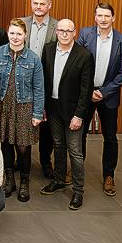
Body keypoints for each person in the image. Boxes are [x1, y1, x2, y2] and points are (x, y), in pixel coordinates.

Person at [77, 2, 122, 197]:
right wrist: (89, 90)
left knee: (110, 137)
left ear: (113, 18)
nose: (103, 19)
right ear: (95, 17)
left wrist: (104, 91)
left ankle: (109, 175)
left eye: (107, 16)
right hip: (86, 93)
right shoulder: (85, 35)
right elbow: (78, 63)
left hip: (108, 96)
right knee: (79, 133)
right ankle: (76, 170)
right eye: (99, 15)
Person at [40, 19, 93, 210]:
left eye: (68, 31)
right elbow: (44, 79)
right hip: (53, 108)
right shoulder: (48, 49)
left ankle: (78, 191)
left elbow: (86, 90)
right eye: (60, 30)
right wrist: (42, 106)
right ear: (56, 32)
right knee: (58, 145)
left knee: (75, 152)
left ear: (74, 33)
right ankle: (59, 180)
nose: (63, 34)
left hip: (73, 112)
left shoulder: (84, 55)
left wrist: (79, 115)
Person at [0, 19, 44, 202]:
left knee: (23, 147)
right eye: (12, 33)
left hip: (24, 107)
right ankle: (9, 179)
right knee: (5, 143)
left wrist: (37, 113)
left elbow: (39, 88)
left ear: (25, 35)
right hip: (3, 106)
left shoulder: (33, 58)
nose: (15, 37)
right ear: (7, 33)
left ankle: (25, 182)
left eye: (19, 34)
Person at [22, 0, 58, 179]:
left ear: (49, 5)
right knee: (21, 121)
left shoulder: (57, 27)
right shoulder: (22, 23)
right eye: (35, 3)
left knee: (46, 126)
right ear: (31, 3)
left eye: (42, 4)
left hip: (48, 81)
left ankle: (45, 161)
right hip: (23, 81)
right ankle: (20, 160)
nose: (38, 7)